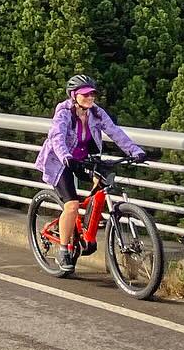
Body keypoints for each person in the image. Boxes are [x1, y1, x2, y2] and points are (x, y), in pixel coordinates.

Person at [35, 74, 148, 268]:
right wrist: (65, 157)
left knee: (102, 184)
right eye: (85, 94)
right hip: (60, 161)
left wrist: (135, 151)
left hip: (83, 159)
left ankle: (86, 227)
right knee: (71, 205)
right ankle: (63, 250)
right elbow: (57, 137)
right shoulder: (63, 112)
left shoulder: (96, 113)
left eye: (92, 94)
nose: (90, 98)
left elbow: (115, 132)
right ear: (73, 95)